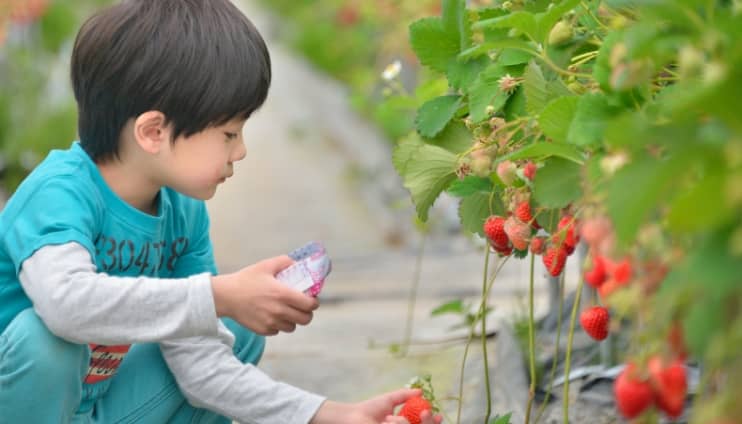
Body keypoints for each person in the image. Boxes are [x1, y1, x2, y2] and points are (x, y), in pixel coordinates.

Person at [0, 1, 442, 423]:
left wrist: (332, 414)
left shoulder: (182, 210)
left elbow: (202, 369)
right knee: (45, 343)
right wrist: (219, 294)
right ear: (153, 131)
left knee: (230, 327)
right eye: (229, 133)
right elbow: (66, 306)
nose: (242, 150)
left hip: (104, 408)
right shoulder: (59, 193)